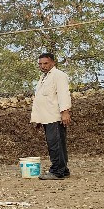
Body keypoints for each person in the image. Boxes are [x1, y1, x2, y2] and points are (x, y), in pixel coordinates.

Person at [31, 52, 71, 180]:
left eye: (45, 63)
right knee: (55, 143)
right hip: (46, 117)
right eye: (40, 64)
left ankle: (57, 171)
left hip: (55, 116)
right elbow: (40, 99)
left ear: (53, 62)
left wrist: (65, 112)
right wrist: (37, 119)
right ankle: (63, 169)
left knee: (56, 144)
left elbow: (63, 94)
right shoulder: (43, 78)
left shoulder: (59, 75)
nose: (43, 66)